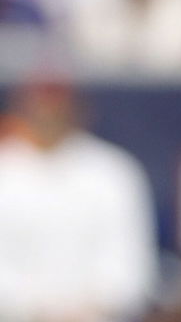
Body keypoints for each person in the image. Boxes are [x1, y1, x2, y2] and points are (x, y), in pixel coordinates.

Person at [0, 73, 158, 321]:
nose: (47, 115)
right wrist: (34, 309)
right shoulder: (6, 170)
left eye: (56, 107)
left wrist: (90, 308)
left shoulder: (112, 171)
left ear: (77, 110)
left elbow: (130, 264)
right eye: (40, 106)